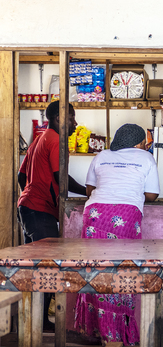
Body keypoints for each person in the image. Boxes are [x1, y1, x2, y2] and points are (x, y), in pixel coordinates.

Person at [74, 123, 160, 346]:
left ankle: (96, 330)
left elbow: (89, 190)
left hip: (94, 214)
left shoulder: (102, 155)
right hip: (125, 216)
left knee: (94, 270)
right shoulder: (146, 158)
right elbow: (151, 195)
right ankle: (116, 335)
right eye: (144, 142)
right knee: (123, 272)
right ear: (140, 143)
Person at [17, 100, 86, 331]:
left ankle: (32, 320)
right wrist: (90, 191)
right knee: (47, 268)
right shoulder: (56, 140)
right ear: (58, 118)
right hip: (39, 211)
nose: (75, 123)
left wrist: (32, 192)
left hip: (27, 208)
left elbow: (21, 176)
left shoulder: (39, 139)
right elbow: (61, 179)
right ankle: (40, 326)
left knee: (35, 267)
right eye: (71, 117)